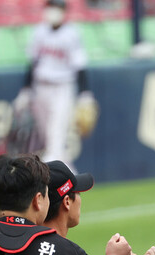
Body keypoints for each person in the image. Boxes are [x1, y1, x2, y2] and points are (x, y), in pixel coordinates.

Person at [17, 0, 93, 165]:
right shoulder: (39, 32)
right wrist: (26, 89)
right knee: (48, 139)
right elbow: (32, 62)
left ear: (64, 11)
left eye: (57, 8)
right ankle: (71, 179)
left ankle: (54, 181)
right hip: (40, 88)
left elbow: (80, 65)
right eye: (51, 7)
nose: (53, 11)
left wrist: (85, 93)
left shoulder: (71, 34)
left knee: (55, 137)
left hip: (62, 88)